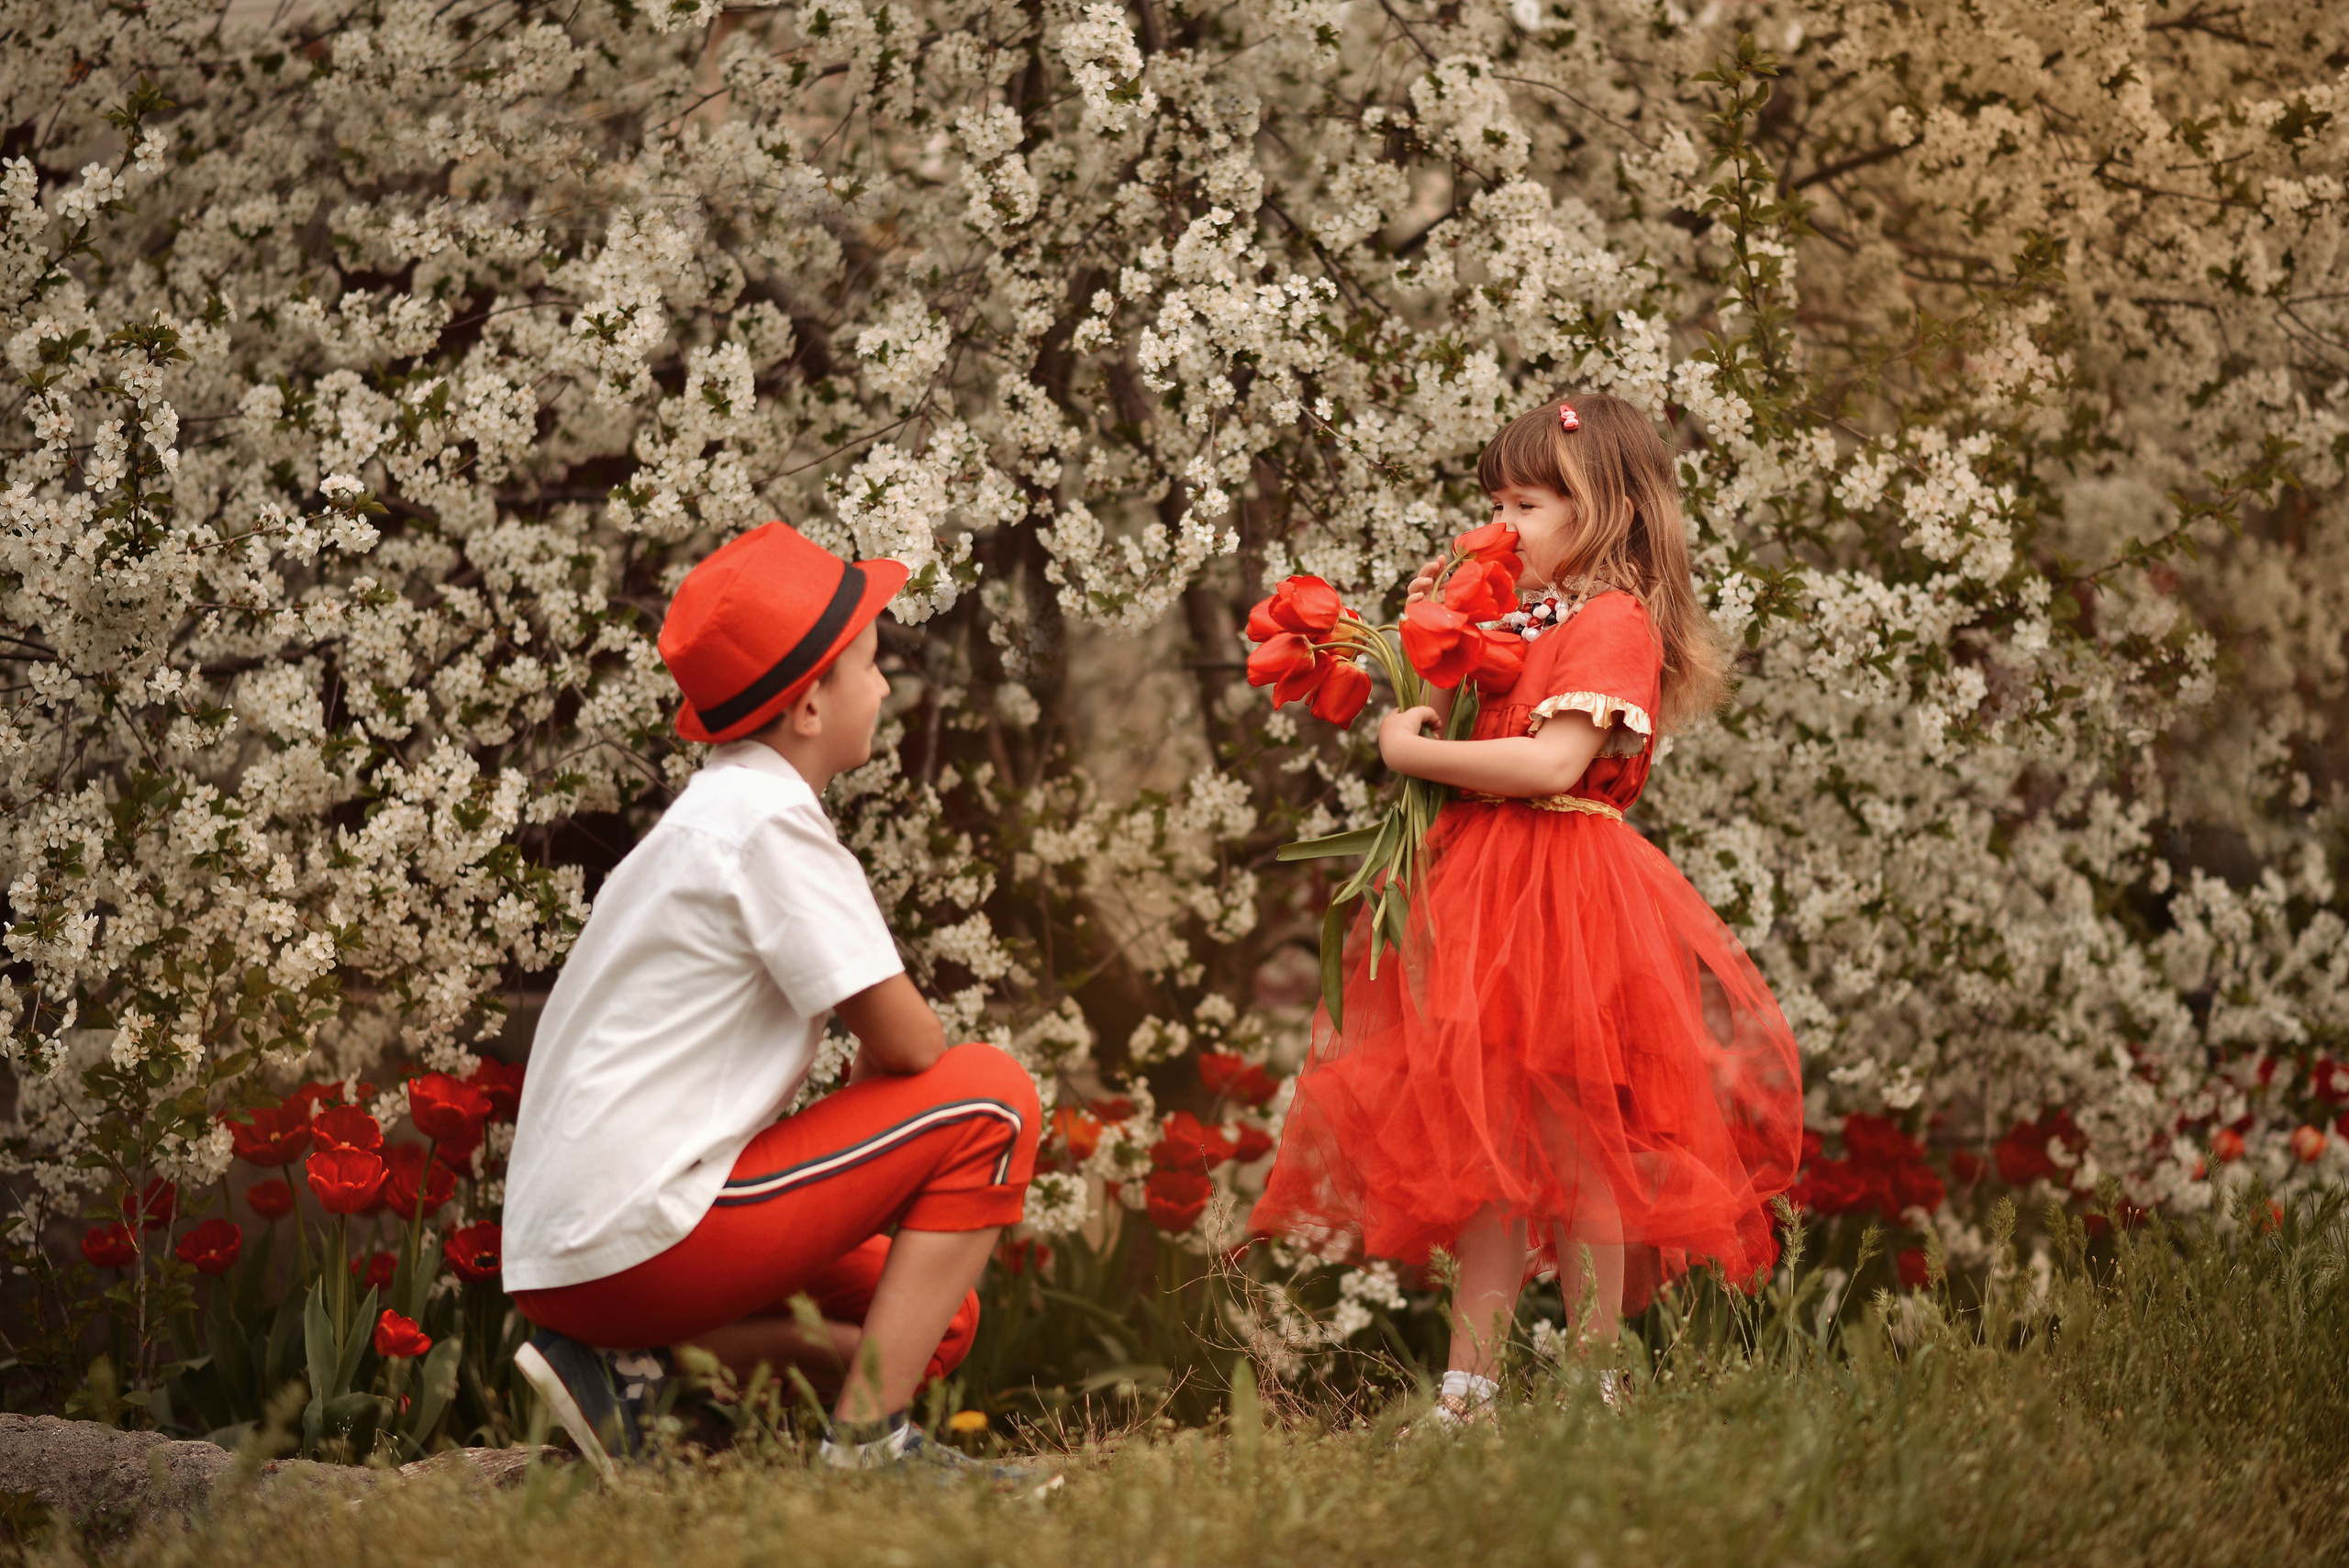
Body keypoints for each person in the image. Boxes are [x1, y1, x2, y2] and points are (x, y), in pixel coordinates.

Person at [1251, 394, 1805, 1426]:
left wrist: (1415, 751)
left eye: (1530, 503)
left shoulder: (1611, 620)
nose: (1502, 527)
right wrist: (1432, 638)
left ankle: (1594, 1379)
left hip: (1562, 899)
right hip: (1485, 895)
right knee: (1492, 1153)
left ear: (1609, 511)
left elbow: (1553, 759)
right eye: (1494, 503)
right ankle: (1471, 1391)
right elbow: (1475, 694)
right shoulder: (1526, 617)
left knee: (1582, 1141)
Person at [501, 521, 1041, 1478]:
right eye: (869, 666)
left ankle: (636, 1367)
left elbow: (884, 1059)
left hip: (581, 1253)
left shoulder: (714, 814)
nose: (884, 686)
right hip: (643, 1227)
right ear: (805, 705)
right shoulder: (766, 824)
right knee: (994, 1098)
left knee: (928, 1315)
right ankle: (868, 1450)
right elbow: (913, 1047)